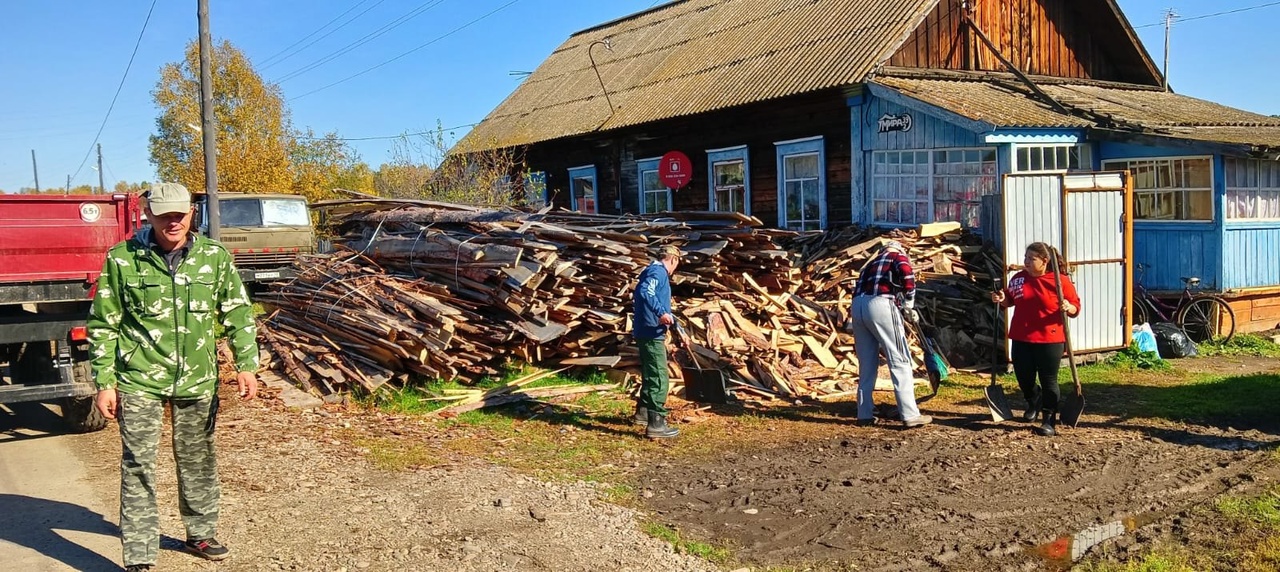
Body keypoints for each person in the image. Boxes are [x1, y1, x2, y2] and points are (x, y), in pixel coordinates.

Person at [88, 182, 260, 571]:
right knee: (138, 466)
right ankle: (139, 552)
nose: (173, 222)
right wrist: (104, 382)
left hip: (197, 379)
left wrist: (246, 363)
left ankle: (200, 532)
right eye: (164, 214)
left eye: (180, 214)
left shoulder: (214, 258)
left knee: (198, 459)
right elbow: (103, 325)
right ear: (147, 215)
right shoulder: (122, 259)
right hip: (139, 379)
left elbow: (237, 313)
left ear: (190, 214)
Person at [990, 242, 1080, 437]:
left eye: (1032, 259)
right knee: (1024, 377)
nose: (1027, 262)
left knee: (1049, 380)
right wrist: (1000, 298)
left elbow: (1075, 306)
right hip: (1021, 336)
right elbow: (1009, 299)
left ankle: (1049, 420)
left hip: (1050, 338)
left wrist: (1068, 306)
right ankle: (1033, 400)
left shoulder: (1059, 281)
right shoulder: (1019, 279)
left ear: (1045, 261)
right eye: (1026, 258)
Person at [848, 240, 932, 428]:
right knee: (900, 358)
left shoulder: (869, 264)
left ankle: (864, 413)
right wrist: (909, 304)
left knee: (867, 363)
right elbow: (908, 277)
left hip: (858, 306)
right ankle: (910, 414)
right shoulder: (897, 256)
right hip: (881, 303)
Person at [631, 244, 682, 439]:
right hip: (651, 333)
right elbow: (646, 292)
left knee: (650, 374)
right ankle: (657, 424)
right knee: (660, 377)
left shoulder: (650, 271)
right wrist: (661, 313)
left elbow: (656, 301)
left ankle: (643, 413)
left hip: (646, 331)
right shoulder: (658, 273)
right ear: (673, 259)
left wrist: (679, 330)